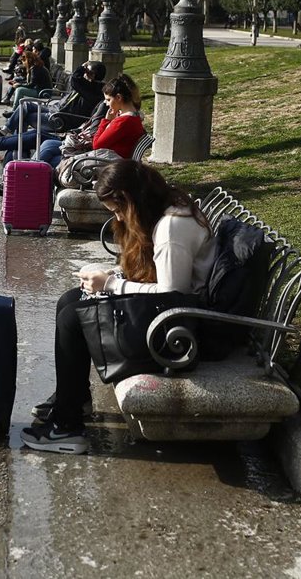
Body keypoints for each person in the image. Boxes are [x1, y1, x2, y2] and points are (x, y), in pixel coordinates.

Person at [21, 160, 217, 454]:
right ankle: (73, 400)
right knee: (70, 301)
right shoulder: (167, 209)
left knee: (74, 319)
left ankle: (68, 427)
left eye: (117, 210)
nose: (120, 219)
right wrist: (113, 277)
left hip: (181, 333)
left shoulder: (172, 227)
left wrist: (111, 285)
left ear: (131, 200)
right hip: (175, 320)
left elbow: (172, 293)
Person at [0, 73, 140, 164]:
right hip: (93, 152)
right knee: (40, 137)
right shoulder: (126, 117)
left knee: (44, 142)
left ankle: (15, 171)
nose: (106, 103)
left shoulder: (124, 121)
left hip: (97, 160)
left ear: (118, 98)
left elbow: (97, 144)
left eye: (108, 100)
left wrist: (106, 121)